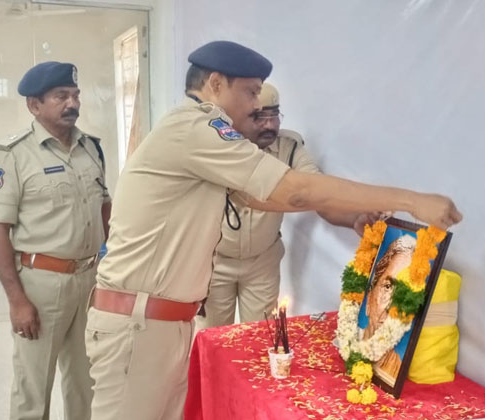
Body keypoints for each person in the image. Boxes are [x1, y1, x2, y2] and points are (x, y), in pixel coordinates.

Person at [86, 40, 462, 420]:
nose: (255, 105)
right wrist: (412, 199)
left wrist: (355, 213)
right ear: (216, 84)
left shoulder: (201, 134)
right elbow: (294, 192)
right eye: (249, 92)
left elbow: (267, 199)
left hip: (160, 323)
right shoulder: (196, 127)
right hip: (140, 325)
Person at [0, 61, 111, 420]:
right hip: (41, 284)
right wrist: (17, 300)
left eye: (75, 95)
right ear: (34, 105)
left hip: (88, 280)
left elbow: (104, 208)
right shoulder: (12, 155)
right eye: (60, 96)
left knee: (86, 380)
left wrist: (108, 266)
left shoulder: (91, 150)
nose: (72, 103)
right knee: (33, 385)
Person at [199, 83, 382, 328]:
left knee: (262, 339)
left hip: (262, 264)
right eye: (259, 116)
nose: (270, 125)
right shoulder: (214, 148)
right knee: (214, 338)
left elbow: (318, 192)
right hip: (216, 262)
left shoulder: (290, 147)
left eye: (274, 115)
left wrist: (354, 217)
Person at [364, 234, 417, 384]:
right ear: (369, 299)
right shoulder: (350, 344)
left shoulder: (394, 372)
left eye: (403, 292)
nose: (390, 307)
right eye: (387, 287)